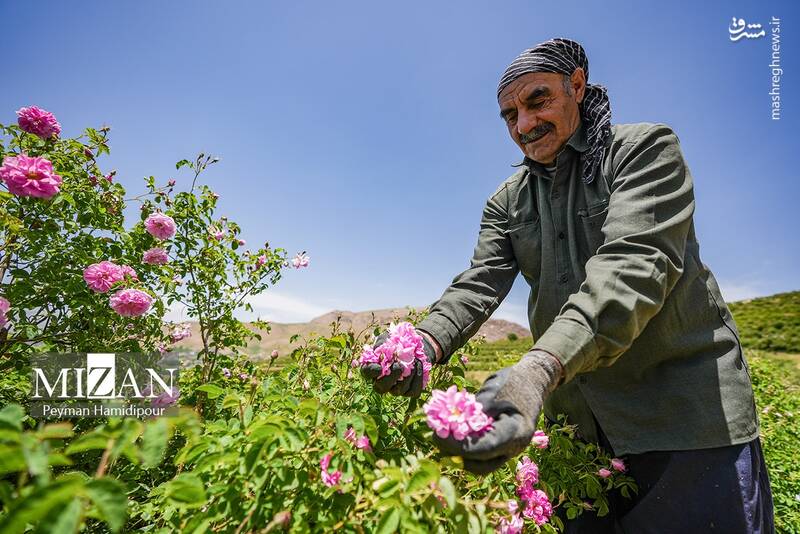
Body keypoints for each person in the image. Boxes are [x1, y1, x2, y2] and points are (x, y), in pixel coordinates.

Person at [360, 38, 774, 532]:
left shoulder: (642, 151)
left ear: (576, 85)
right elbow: (478, 283)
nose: (524, 125)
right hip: (577, 434)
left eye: (538, 100)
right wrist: (424, 344)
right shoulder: (507, 201)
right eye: (510, 115)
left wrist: (537, 370)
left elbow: (632, 266)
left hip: (680, 423)